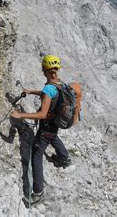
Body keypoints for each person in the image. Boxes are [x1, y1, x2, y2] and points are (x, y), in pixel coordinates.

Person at [10, 55, 71, 207]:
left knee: (36, 157)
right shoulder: (60, 84)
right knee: (53, 137)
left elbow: (42, 113)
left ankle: (38, 194)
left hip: (46, 127)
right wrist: (32, 92)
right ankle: (64, 158)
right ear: (56, 70)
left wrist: (21, 115)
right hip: (55, 124)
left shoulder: (48, 88)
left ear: (44, 69)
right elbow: (48, 95)